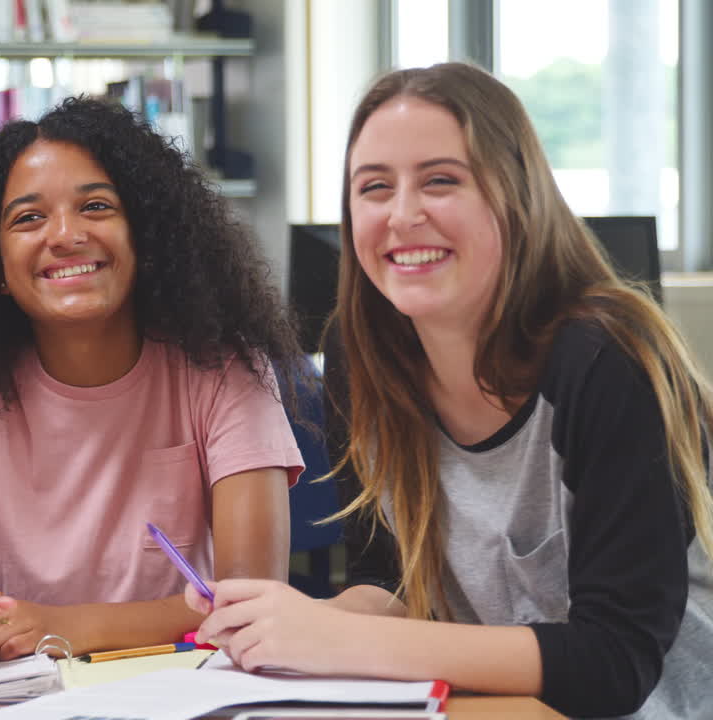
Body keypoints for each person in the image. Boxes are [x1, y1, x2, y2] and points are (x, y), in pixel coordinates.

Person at [187, 62, 713, 719]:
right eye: (374, 187)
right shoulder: (365, 355)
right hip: (497, 698)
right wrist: (291, 626)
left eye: (441, 181)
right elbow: (390, 580)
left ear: (514, 196)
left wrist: (350, 640)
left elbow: (613, 664)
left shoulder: (606, 360)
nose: (403, 215)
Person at [0, 96, 305, 668]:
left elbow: (254, 604)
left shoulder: (223, 370)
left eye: (95, 206)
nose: (65, 235)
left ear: (147, 235)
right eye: (28, 218)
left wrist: (69, 627)